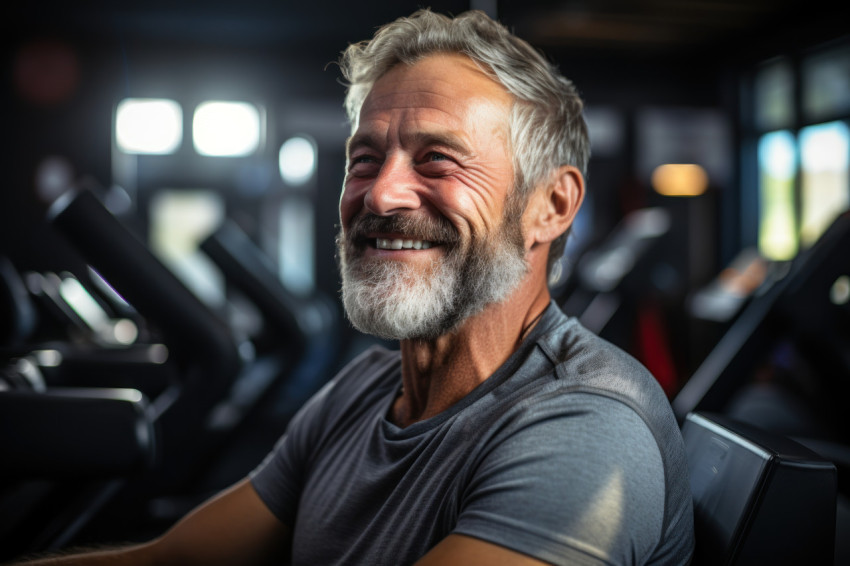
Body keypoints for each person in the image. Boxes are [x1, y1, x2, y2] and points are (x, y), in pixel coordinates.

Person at [11, 9, 694, 566]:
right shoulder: (364, 388)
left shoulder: (585, 429)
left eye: (437, 159)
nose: (382, 192)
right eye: (365, 158)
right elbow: (171, 561)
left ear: (550, 205)